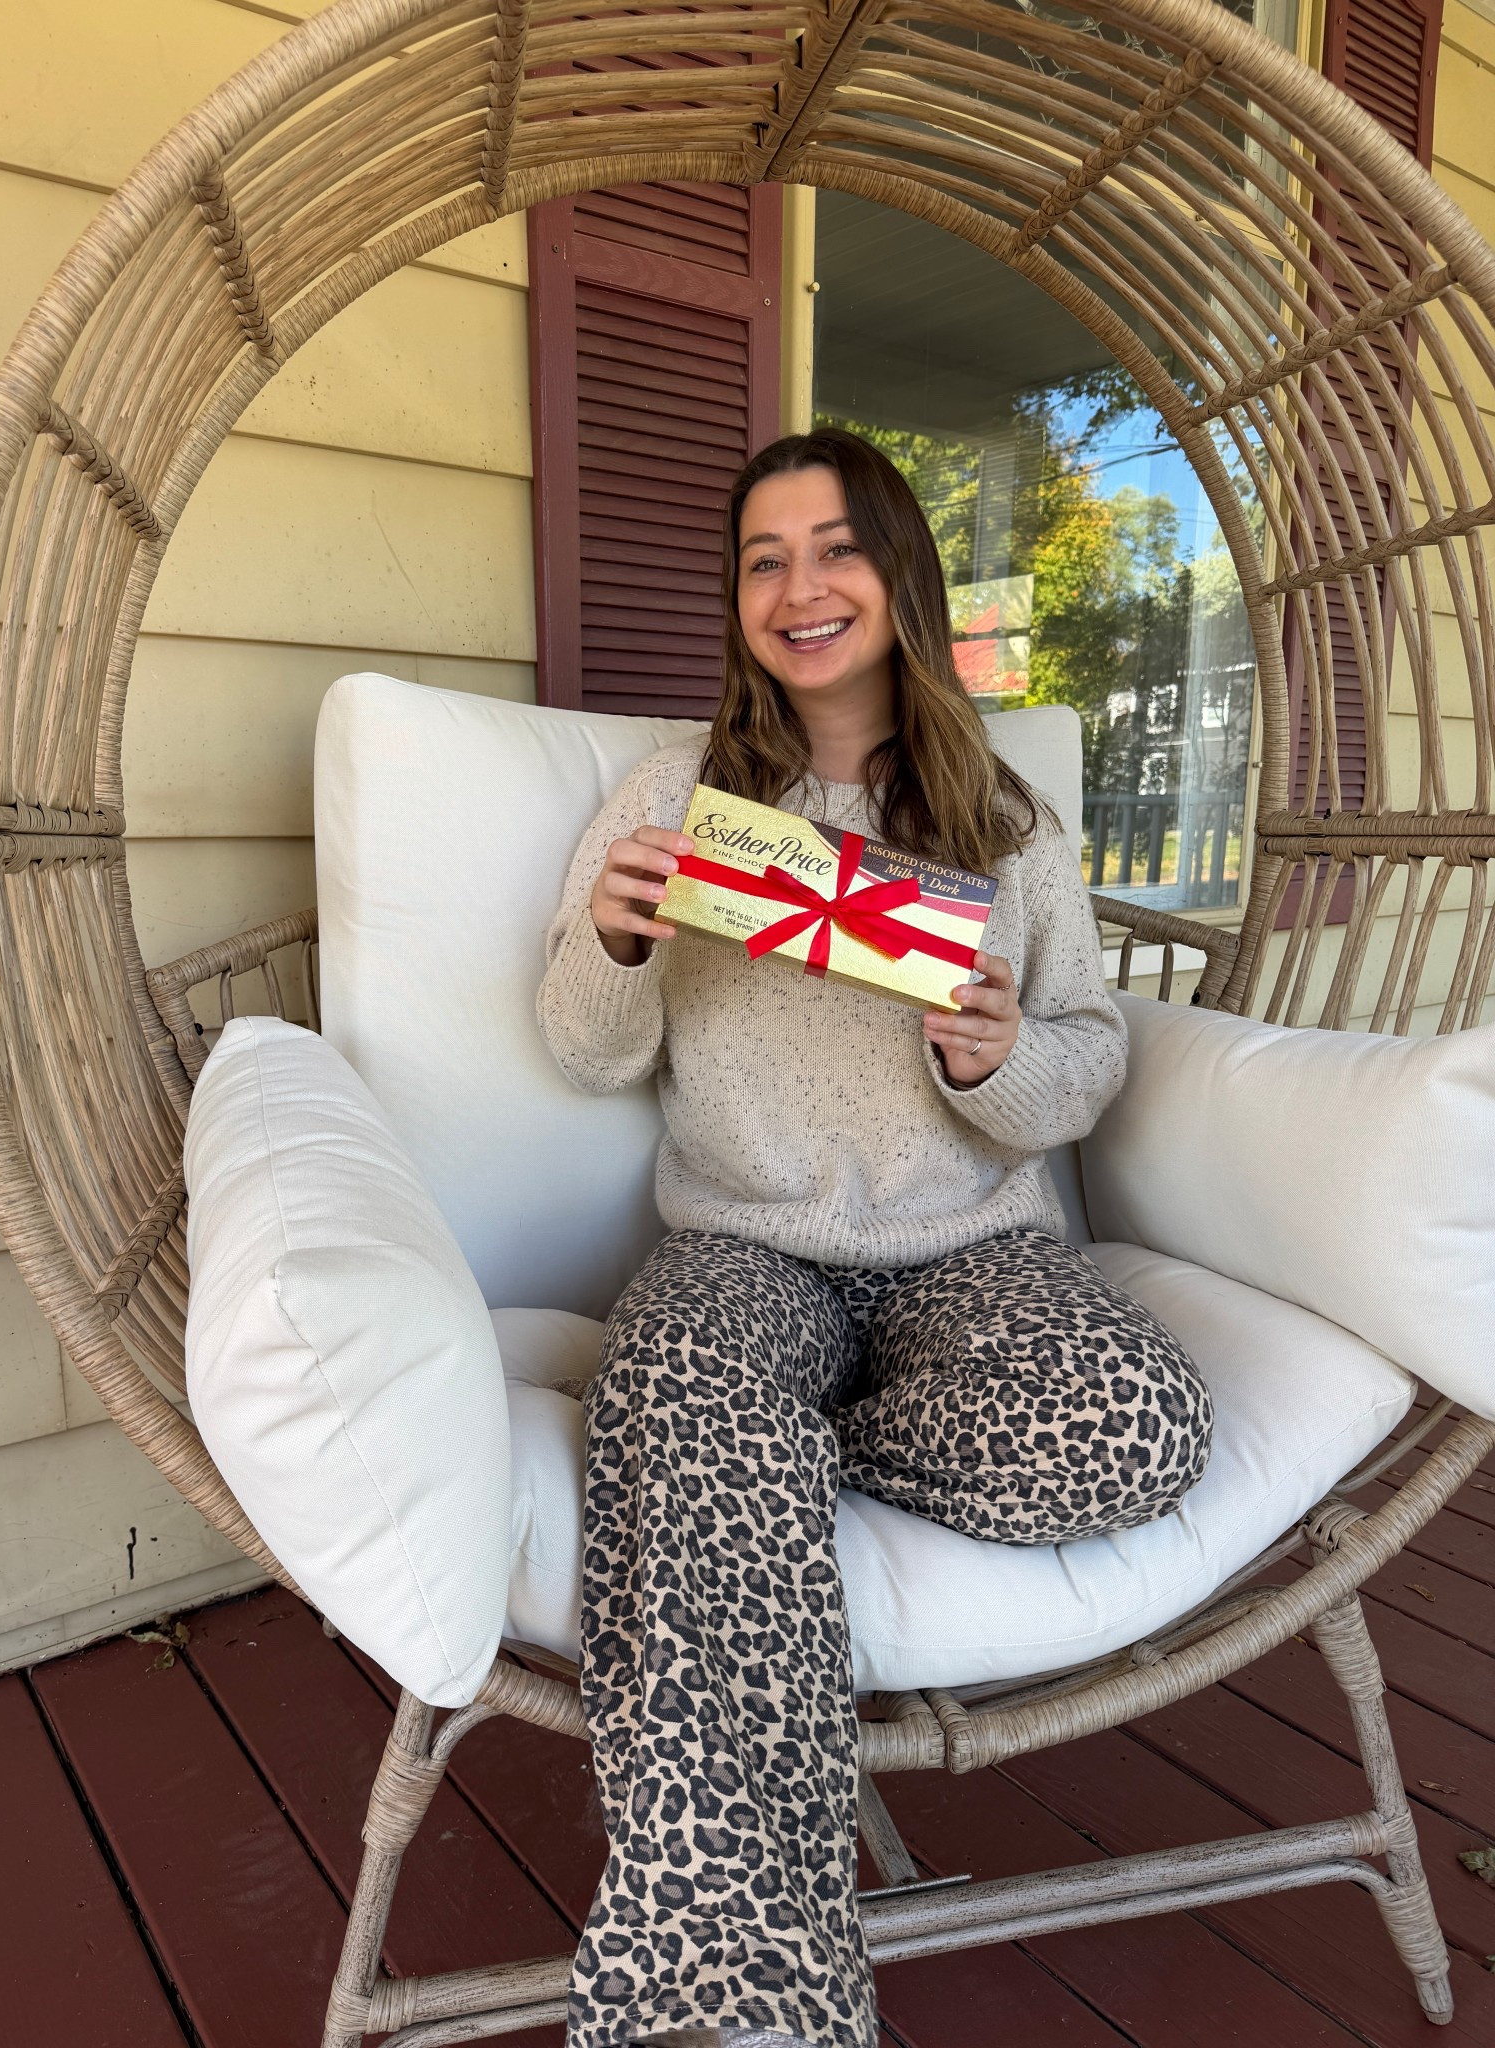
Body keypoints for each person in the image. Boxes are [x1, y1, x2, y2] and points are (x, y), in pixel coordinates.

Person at [537, 427, 1213, 2048]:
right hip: (743, 1245)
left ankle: (743, 1455)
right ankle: (748, 2001)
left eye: (835, 547)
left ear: (901, 574)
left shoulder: (1011, 822)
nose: (799, 586)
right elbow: (583, 1048)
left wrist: (997, 1056)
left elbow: (1085, 1063)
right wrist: (617, 939)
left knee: (1137, 1426)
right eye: (763, 559)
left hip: (972, 1256)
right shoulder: (674, 797)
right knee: (692, 1372)